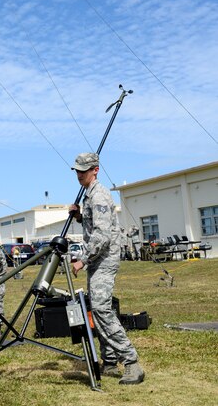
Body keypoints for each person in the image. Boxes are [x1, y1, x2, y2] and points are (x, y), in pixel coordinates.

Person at [69, 153, 145, 385]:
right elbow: (96, 225)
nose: (79, 174)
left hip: (103, 259)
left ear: (95, 170)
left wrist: (82, 260)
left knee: (101, 309)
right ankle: (109, 359)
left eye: (84, 170)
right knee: (99, 307)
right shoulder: (90, 195)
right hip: (98, 259)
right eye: (77, 170)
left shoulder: (99, 195)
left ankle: (131, 362)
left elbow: (101, 236)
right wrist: (80, 216)